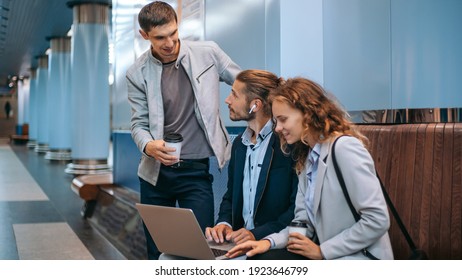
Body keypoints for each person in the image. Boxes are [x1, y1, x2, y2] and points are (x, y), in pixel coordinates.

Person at [226, 77, 394, 260]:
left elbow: (377, 220)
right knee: (259, 257)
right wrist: (267, 242)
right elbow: (302, 224)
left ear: (308, 113)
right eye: (276, 121)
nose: (278, 128)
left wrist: (323, 251)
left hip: (359, 259)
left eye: (282, 120)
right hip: (329, 256)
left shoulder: (344, 148)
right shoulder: (307, 158)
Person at [126, 1, 241, 260]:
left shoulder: (208, 53)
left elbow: (244, 82)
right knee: (158, 252)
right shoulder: (137, 73)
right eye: (159, 38)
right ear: (145, 35)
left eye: (173, 34)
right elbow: (138, 124)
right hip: (155, 176)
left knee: (202, 250)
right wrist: (147, 146)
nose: (169, 43)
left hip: (195, 172)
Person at [205, 70, 298, 247]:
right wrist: (224, 223)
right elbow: (230, 196)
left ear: (255, 105)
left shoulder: (288, 143)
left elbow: (295, 210)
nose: (227, 100)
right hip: (240, 243)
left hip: (273, 244)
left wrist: (255, 235)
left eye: (234, 94)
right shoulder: (240, 144)